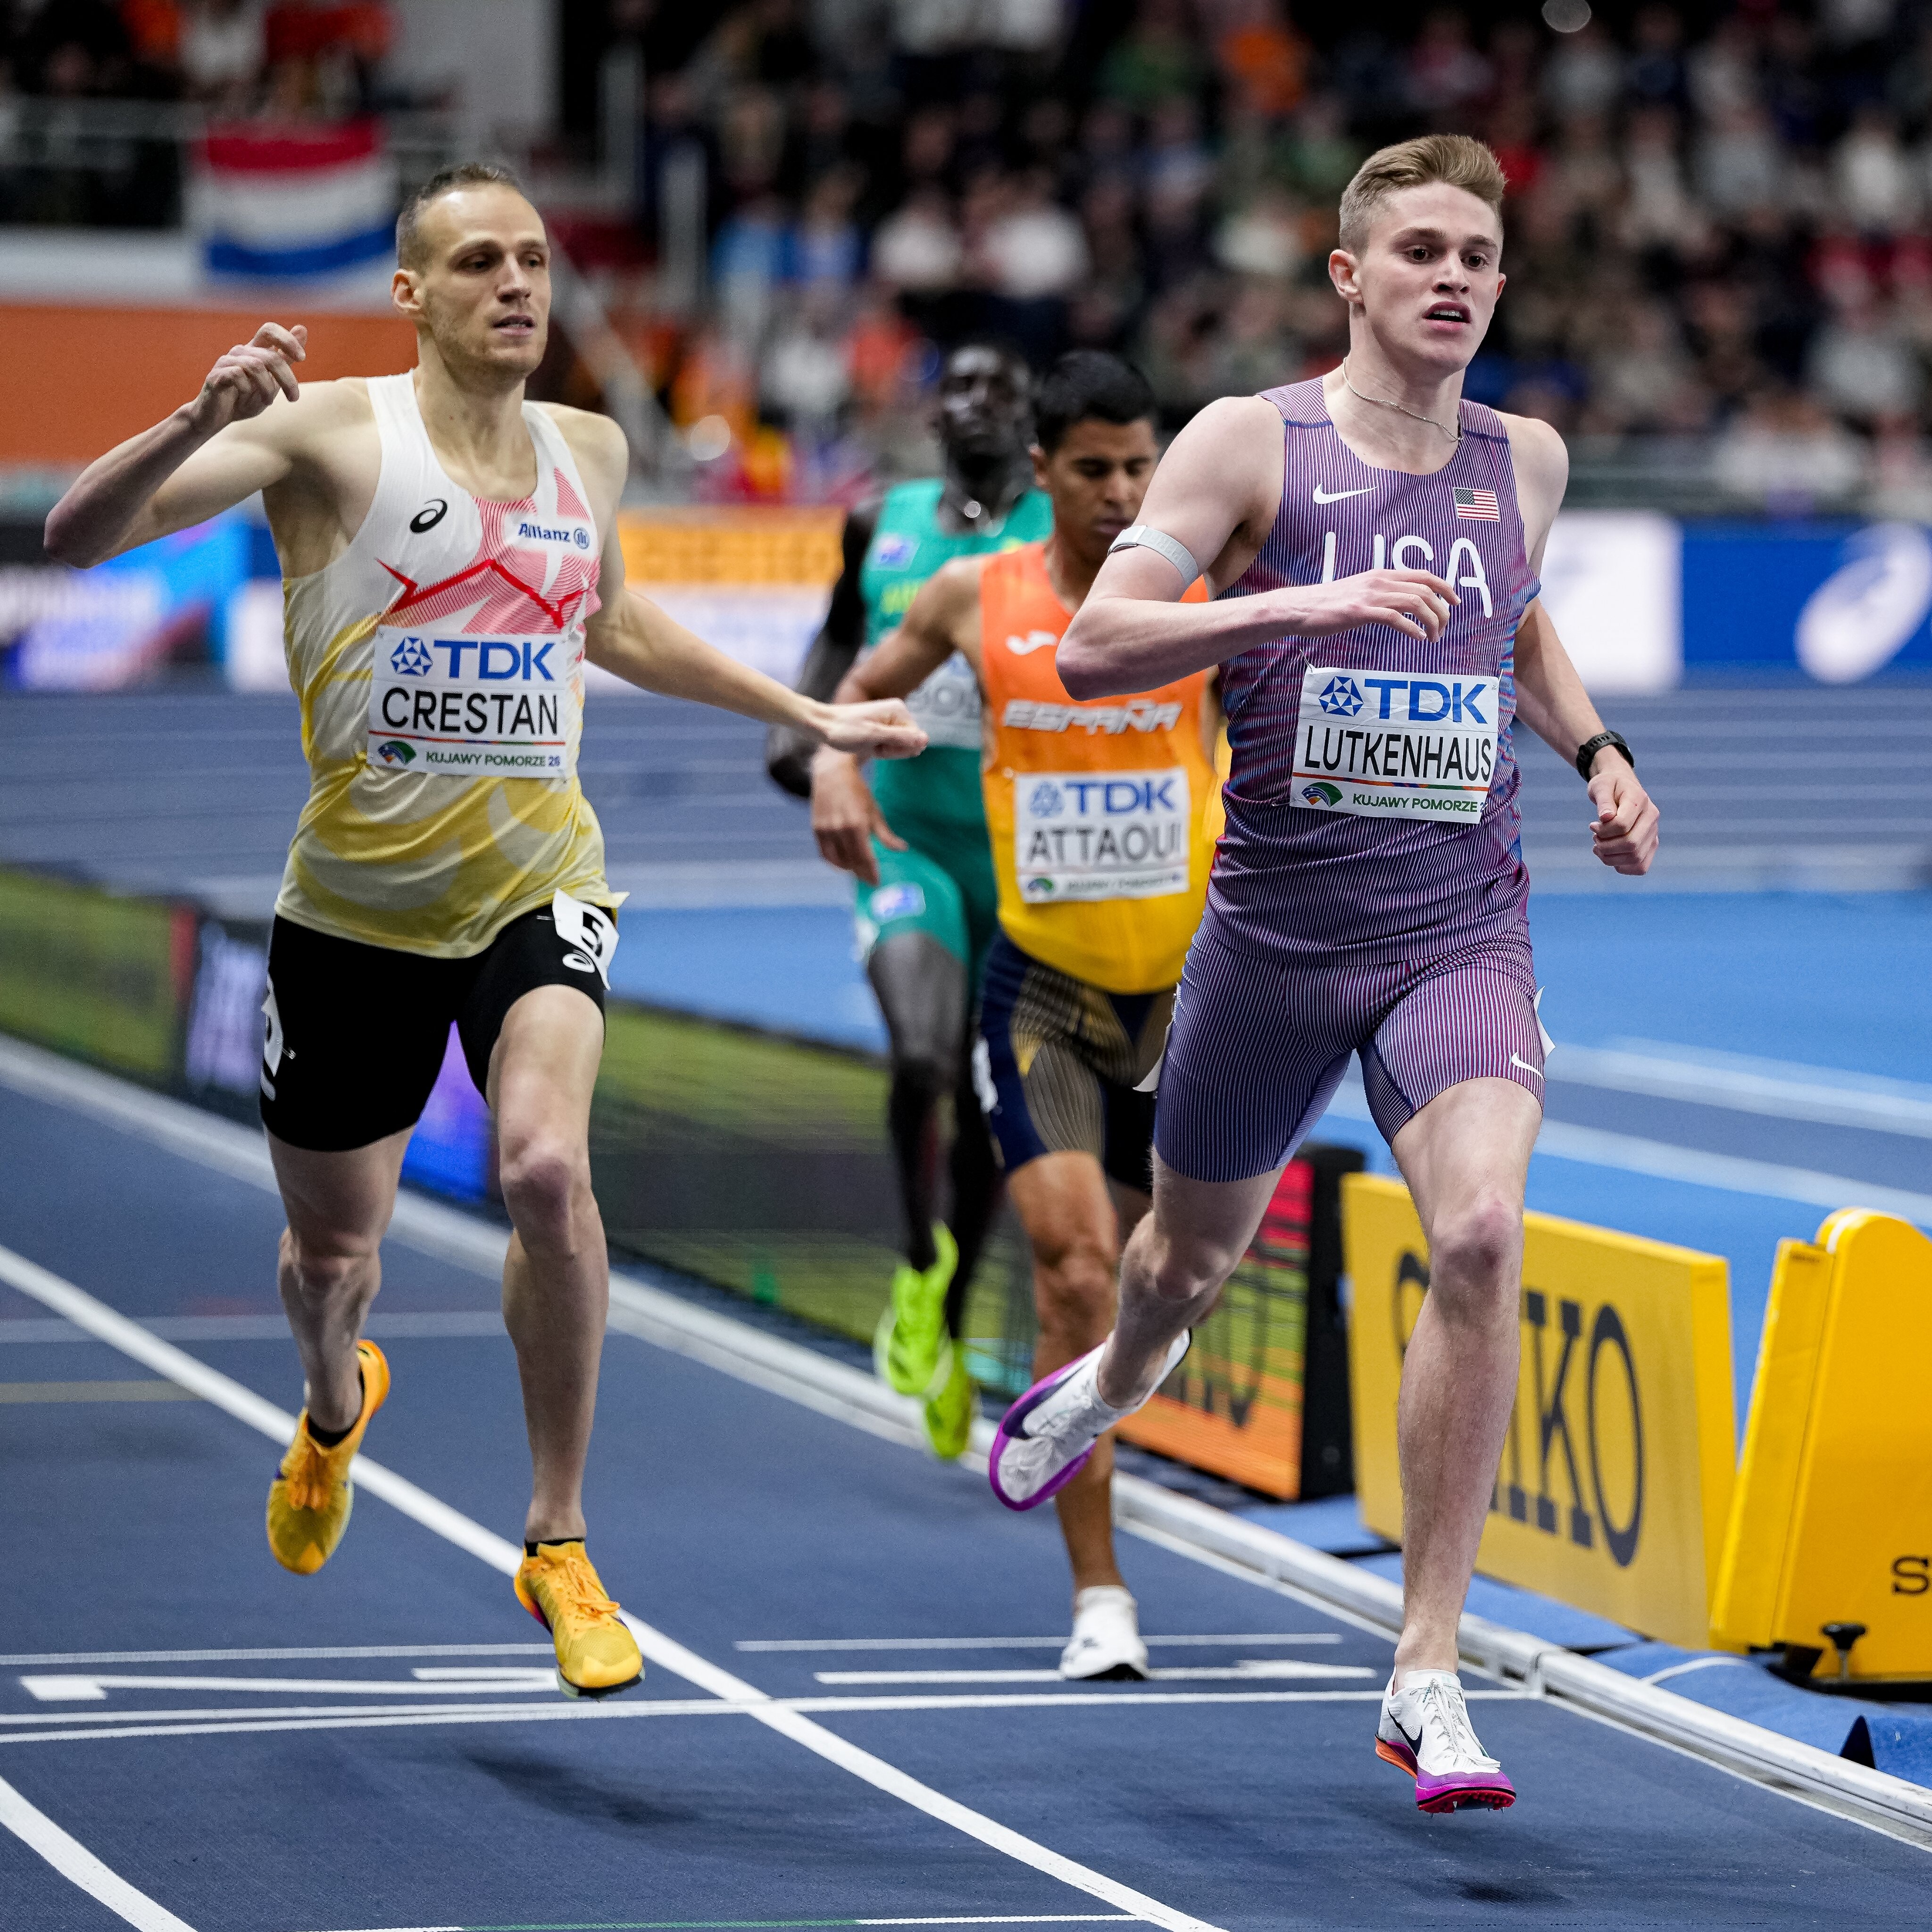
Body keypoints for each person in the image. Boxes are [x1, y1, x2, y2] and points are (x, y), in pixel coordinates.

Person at [43, 163, 923, 1700]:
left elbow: (612, 620)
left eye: (532, 258)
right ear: (410, 293)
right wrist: (193, 418)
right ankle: (333, 1407)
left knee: (545, 1169)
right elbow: (74, 535)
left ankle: (557, 1537)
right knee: (333, 1257)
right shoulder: (328, 431)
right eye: (477, 263)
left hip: (536, 885)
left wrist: (806, 711)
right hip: (354, 917)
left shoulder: (591, 444)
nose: (517, 284)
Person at [986, 135, 1661, 1807]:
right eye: (1420, 250)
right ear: (1349, 276)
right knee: (1179, 1267)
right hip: (1273, 941)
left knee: (1482, 1231)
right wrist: (1292, 607)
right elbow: (1096, 644)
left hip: (1457, 928)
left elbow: (1510, 625)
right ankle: (1115, 1378)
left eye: (1477, 256)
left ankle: (1425, 1666)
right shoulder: (1247, 440)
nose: (1454, 277)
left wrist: (1596, 752)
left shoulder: (1527, 458)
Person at [814, 351, 1216, 1679]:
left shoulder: (1206, 593)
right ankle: (1101, 1593)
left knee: (1167, 1287)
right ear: (1044, 471)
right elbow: (860, 685)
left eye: (1139, 466)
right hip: (1043, 990)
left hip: (1188, 1002)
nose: (1120, 493)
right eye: (1092, 469)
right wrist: (834, 769)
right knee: (1076, 1271)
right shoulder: (972, 593)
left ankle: (1099, 1407)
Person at [769, 344, 1051, 1457]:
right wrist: (803, 728)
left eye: (999, 387)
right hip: (907, 836)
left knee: (987, 1103)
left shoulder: (1065, 528)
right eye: (960, 386)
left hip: (1026, 855)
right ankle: (915, 1255)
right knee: (924, 1055)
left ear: (1030, 418)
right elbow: (844, 634)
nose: (976, 402)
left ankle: (949, 1304)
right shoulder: (877, 522)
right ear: (934, 414)